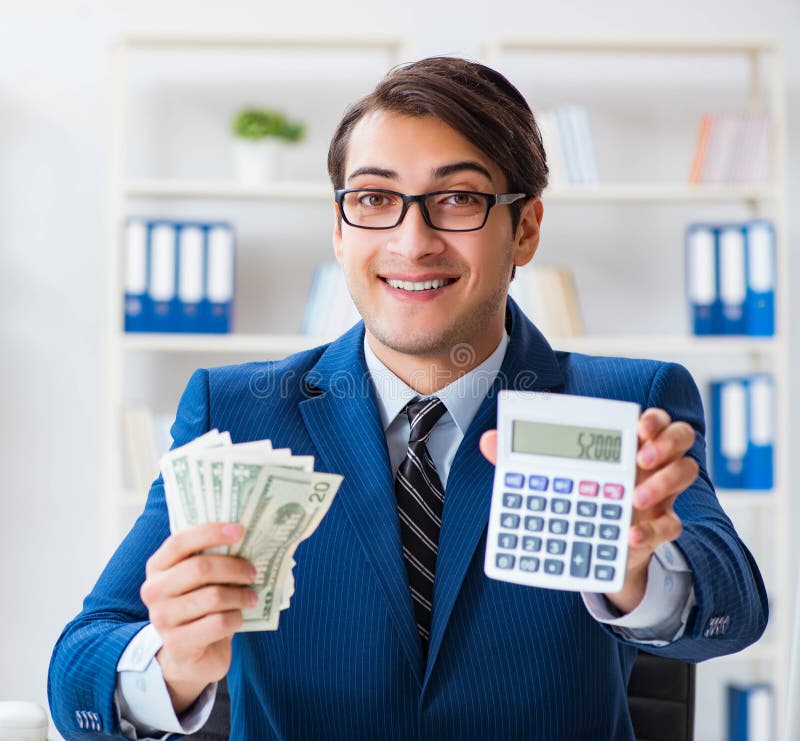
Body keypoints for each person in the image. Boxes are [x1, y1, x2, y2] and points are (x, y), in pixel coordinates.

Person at [48, 56, 768, 740]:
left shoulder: (627, 405)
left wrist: (643, 574)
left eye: (457, 198)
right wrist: (170, 665)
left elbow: (733, 608)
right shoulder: (234, 411)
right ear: (338, 229)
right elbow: (78, 664)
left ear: (525, 228)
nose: (412, 240)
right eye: (374, 199)